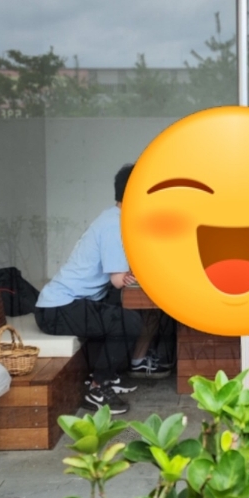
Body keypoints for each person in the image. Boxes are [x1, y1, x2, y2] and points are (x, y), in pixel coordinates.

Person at [35, 164, 167, 413]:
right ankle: (97, 388)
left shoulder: (113, 218)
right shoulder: (114, 226)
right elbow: (119, 280)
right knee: (128, 322)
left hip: (68, 304)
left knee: (119, 308)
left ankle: (106, 376)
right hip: (58, 308)